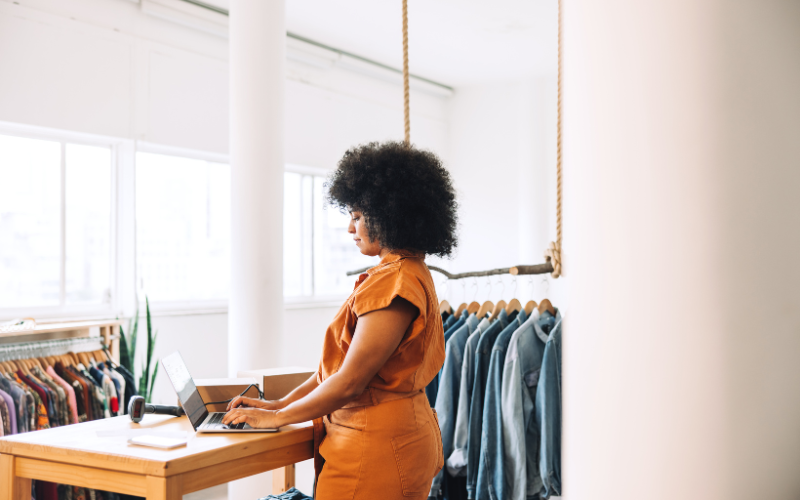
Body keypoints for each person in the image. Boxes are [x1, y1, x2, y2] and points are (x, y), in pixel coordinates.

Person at [223, 141, 459, 499]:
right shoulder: (403, 272)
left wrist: (276, 419)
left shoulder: (397, 281)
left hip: (375, 449)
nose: (351, 229)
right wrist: (276, 405)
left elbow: (349, 382)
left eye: (357, 216)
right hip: (382, 439)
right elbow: (331, 375)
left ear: (389, 213)